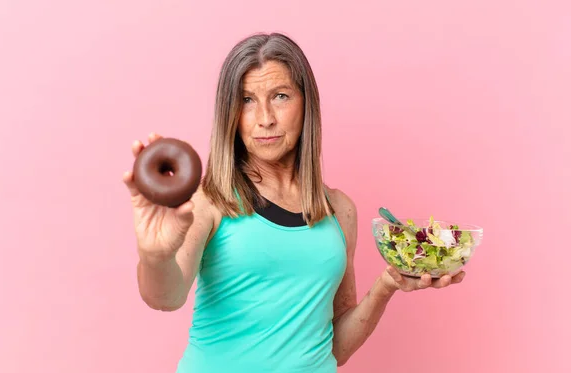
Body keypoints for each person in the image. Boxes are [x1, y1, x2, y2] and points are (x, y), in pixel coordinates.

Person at [122, 32, 465, 373]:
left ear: (306, 104)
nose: (265, 118)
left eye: (280, 96)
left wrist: (385, 287)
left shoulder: (339, 210)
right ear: (230, 112)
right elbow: (165, 298)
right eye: (246, 100)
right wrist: (155, 257)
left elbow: (335, 349)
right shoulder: (210, 200)